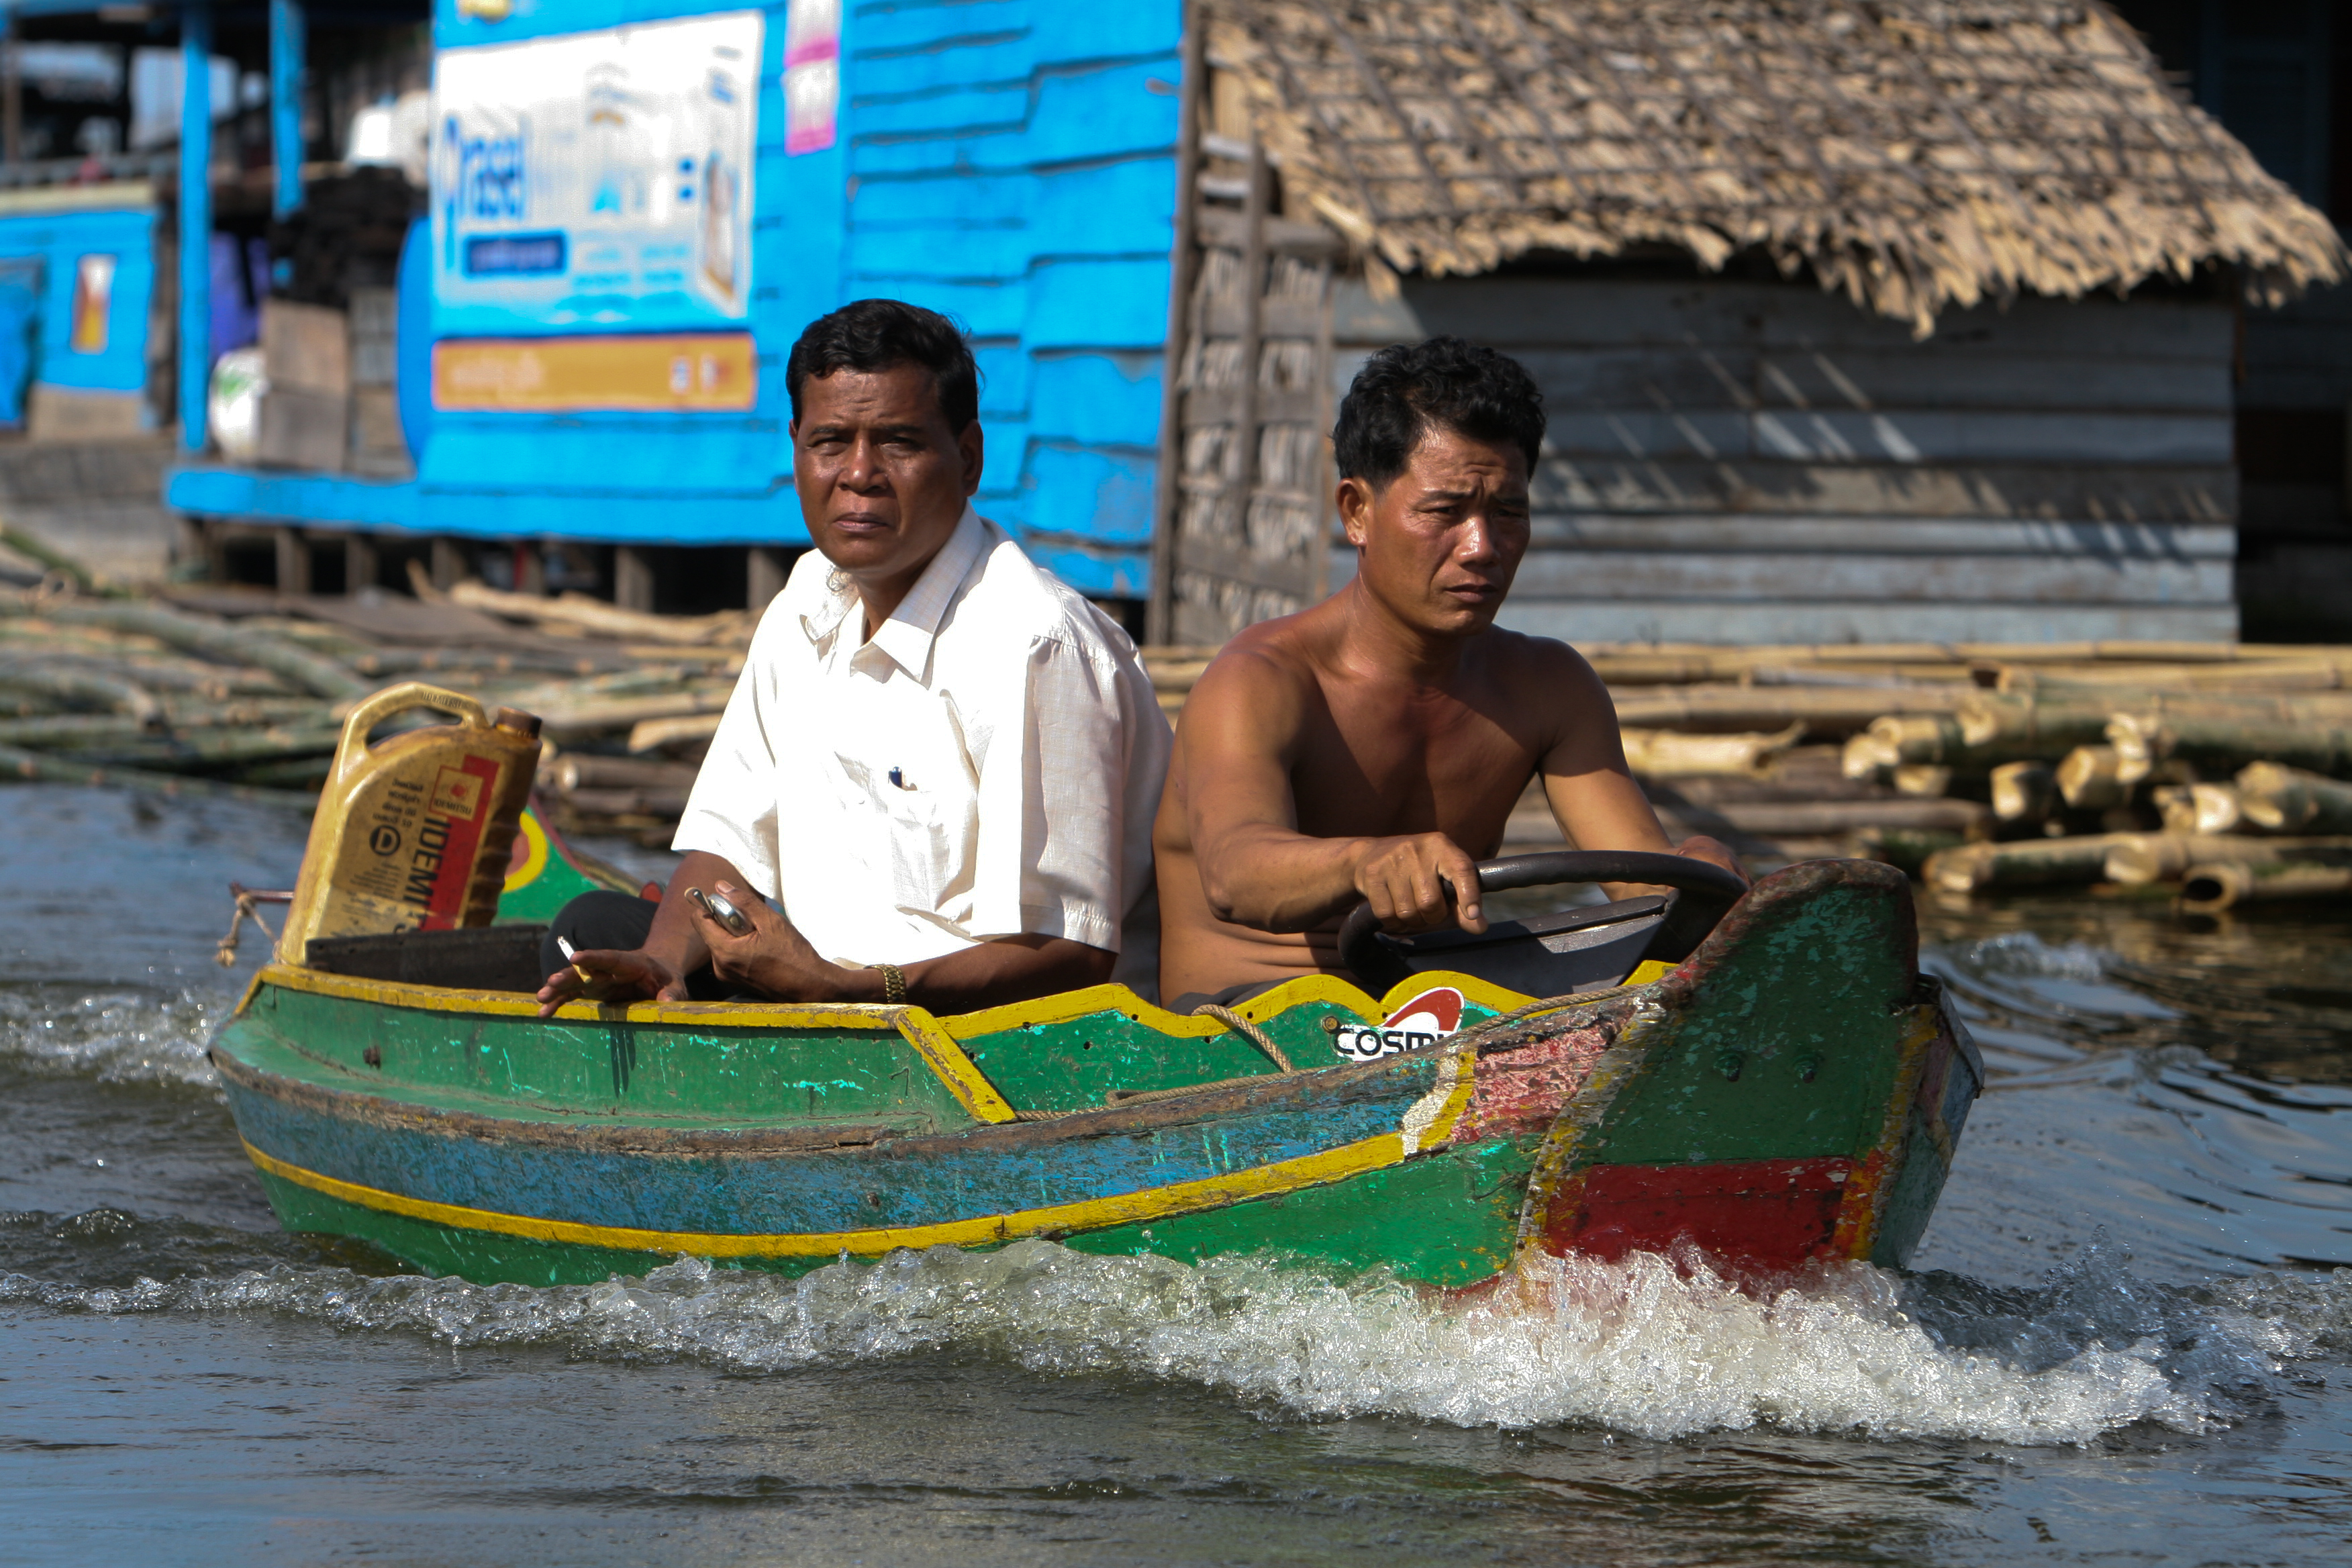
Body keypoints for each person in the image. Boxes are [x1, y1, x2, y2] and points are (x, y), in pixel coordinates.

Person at [537, 299, 1171, 1017]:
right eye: (831, 442)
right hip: (825, 997)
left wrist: (845, 989)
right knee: (586, 935)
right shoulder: (808, 604)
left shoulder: (1033, 643)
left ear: (967, 459)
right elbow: (725, 850)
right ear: (797, 448)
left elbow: (1069, 954)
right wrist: (659, 961)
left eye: (898, 443)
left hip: (984, 1036)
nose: (860, 473)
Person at [1154, 335, 1743, 1009]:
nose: (1482, 547)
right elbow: (1236, 873)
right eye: (1444, 512)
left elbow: (1644, 889)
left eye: (1509, 513)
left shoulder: (1551, 686)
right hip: (1248, 1030)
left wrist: (1699, 874)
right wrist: (1365, 862)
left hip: (1444, 1017)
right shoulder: (1259, 680)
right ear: (1357, 512)